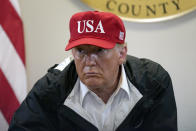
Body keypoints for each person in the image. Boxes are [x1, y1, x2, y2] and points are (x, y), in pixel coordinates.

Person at [9, 11, 177, 131]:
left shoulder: (153, 83)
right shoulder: (51, 90)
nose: (89, 62)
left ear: (122, 53)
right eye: (81, 51)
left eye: (99, 50)